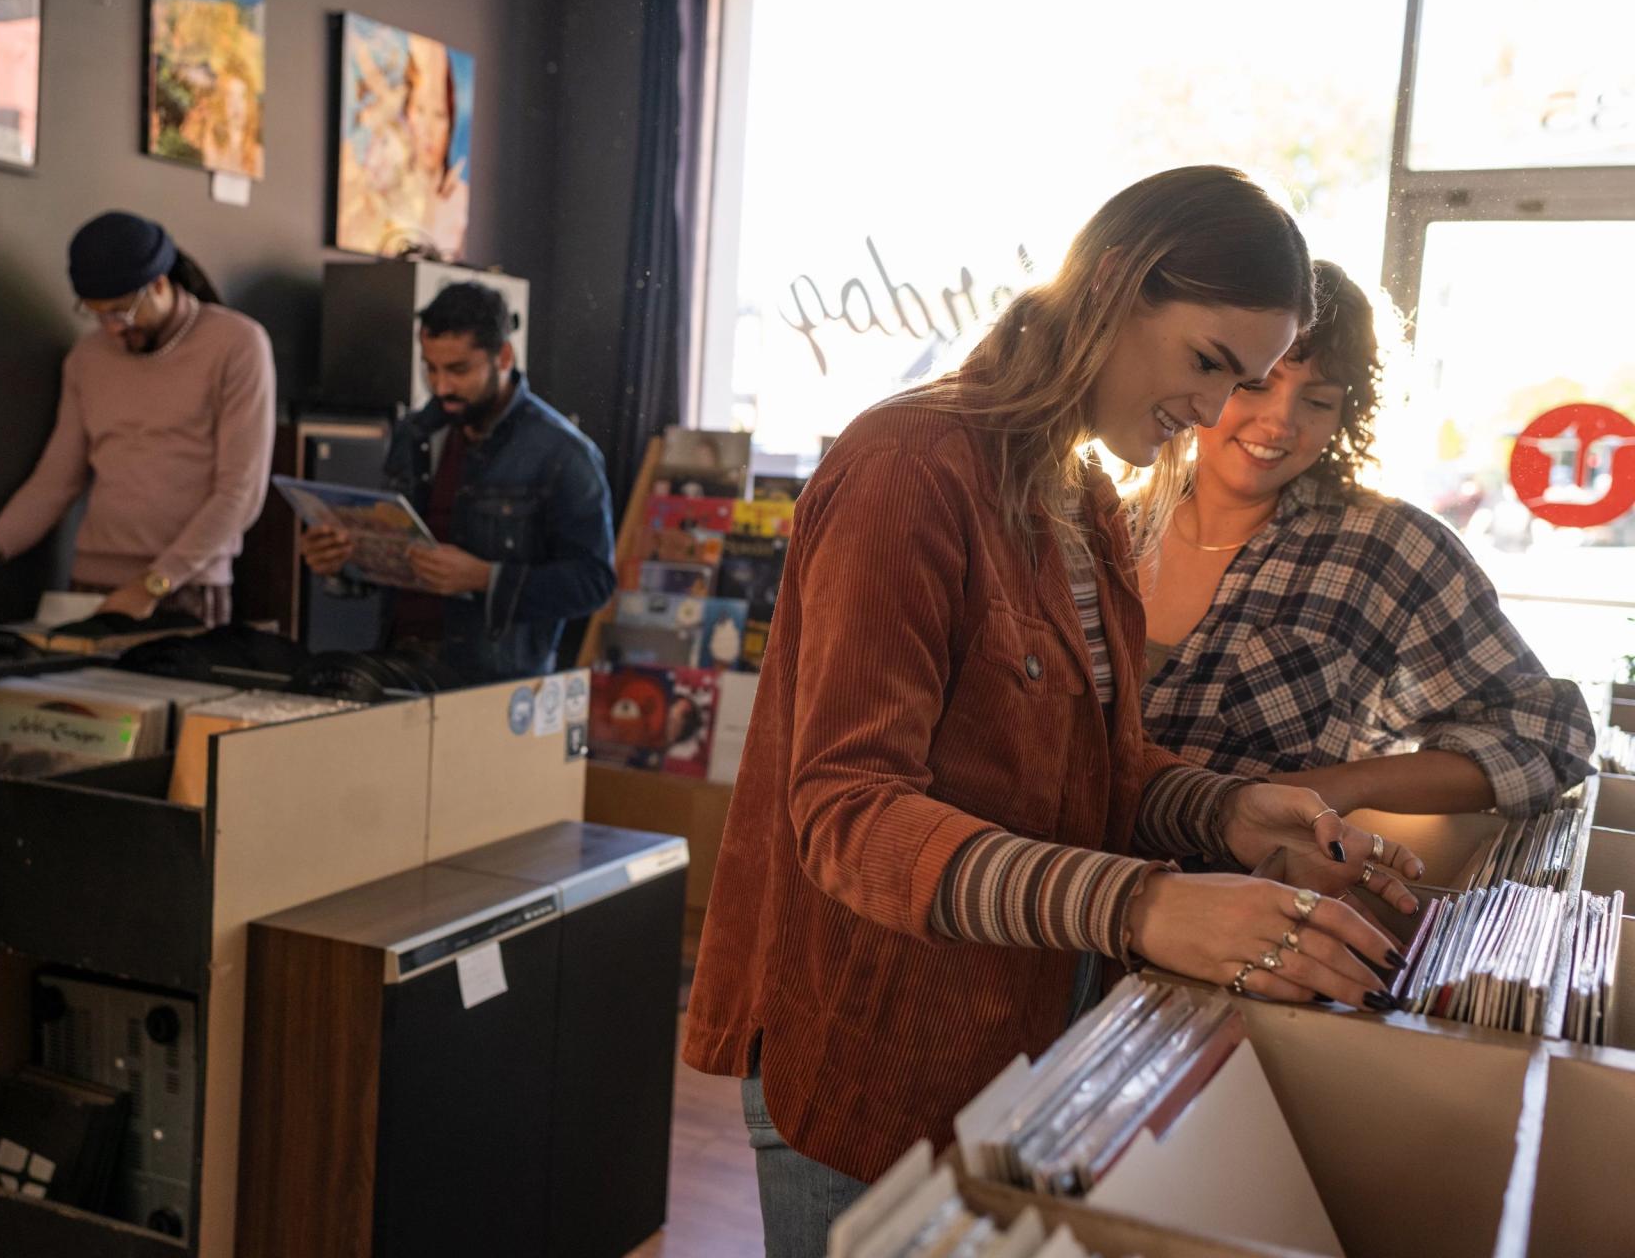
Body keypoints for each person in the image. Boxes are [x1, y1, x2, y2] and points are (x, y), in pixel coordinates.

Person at [681, 168, 1428, 1258]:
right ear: (1112, 291)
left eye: (1253, 380)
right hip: (872, 1055)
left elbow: (1094, 770)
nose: (1218, 413)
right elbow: (847, 812)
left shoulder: (1077, 496)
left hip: (1015, 1045)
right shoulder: (907, 467)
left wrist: (1231, 814)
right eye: (1209, 364)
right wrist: (1142, 905)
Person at [1138, 261, 1595, 816]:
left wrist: (1335, 789)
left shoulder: (1387, 547)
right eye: (1257, 386)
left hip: (1256, 894)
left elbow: (1547, 735)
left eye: (1319, 400)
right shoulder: (1099, 527)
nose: (1281, 423)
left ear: (1346, 417)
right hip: (1065, 892)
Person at [0, 211, 276, 627]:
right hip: (91, 583)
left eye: (120, 313)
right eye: (96, 314)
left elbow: (240, 493)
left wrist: (154, 583)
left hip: (186, 587)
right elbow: (55, 481)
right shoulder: (86, 359)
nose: (110, 329)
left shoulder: (236, 344)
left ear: (159, 285)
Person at [301, 282, 615, 686]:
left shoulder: (563, 452)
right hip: (396, 662)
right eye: (430, 368)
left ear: (503, 357)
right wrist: (342, 560)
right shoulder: (415, 431)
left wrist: (485, 577)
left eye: (458, 369)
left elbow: (594, 583)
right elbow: (396, 558)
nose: (441, 386)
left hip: (492, 684)